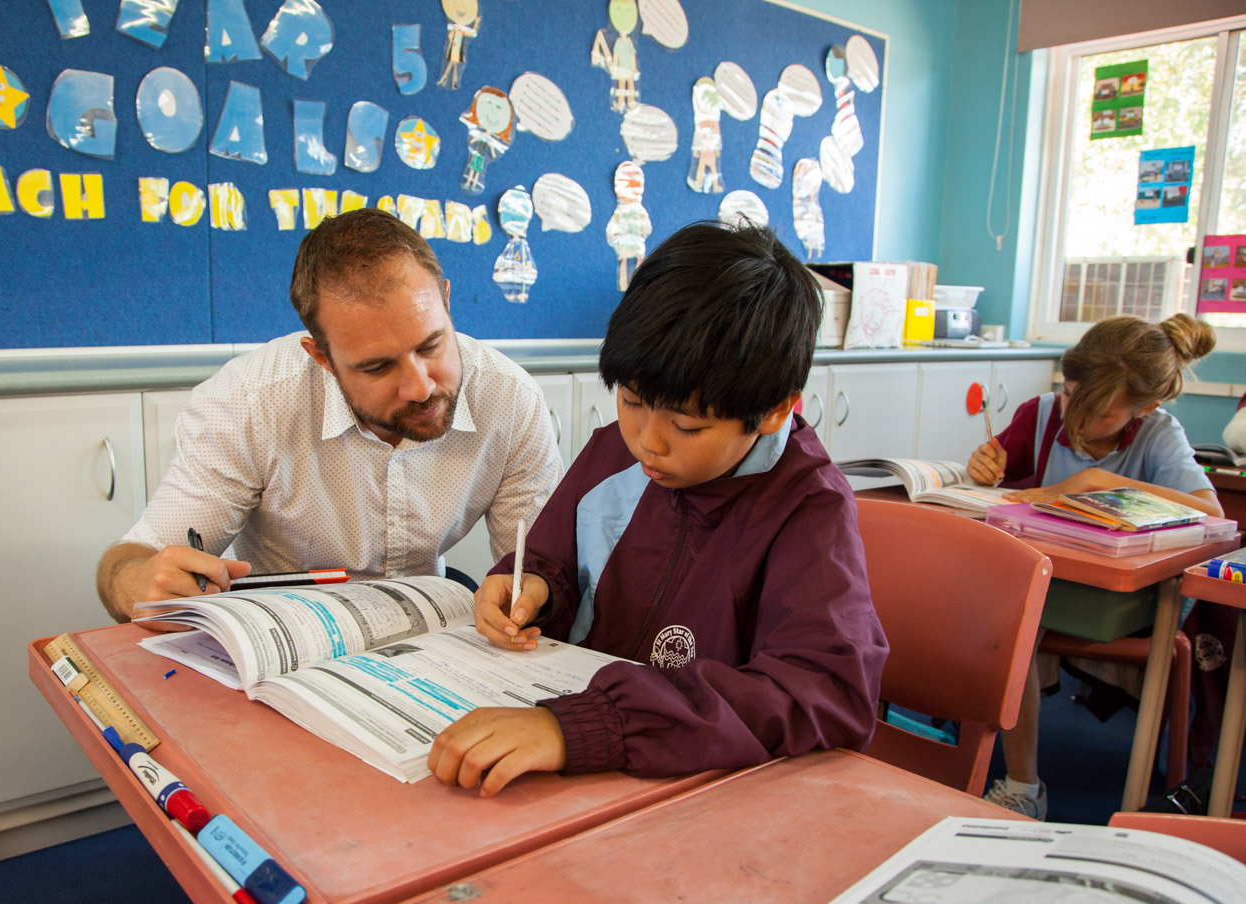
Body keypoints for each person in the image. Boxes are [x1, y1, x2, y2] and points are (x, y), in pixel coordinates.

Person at [424, 221, 888, 797]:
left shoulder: (807, 510)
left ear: (774, 411)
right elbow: (554, 562)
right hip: (586, 759)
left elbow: (824, 692)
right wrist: (533, 587)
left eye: (688, 425)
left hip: (700, 789)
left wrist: (585, 728)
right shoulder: (614, 452)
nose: (649, 441)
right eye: (632, 401)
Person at [97, 209, 564, 624]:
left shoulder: (511, 399)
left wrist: (531, 596)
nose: (421, 386)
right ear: (320, 356)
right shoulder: (250, 402)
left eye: (431, 345)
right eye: (378, 367)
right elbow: (134, 561)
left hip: (429, 635)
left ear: (445, 299)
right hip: (286, 638)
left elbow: (538, 568)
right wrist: (131, 582)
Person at [966, 312, 1222, 820]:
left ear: (1143, 409)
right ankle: (1015, 779)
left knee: (1016, 617)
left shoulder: (1159, 434)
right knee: (1004, 617)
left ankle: (1021, 782)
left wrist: (1103, 484)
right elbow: (1000, 483)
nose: (1078, 422)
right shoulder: (1040, 414)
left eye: (1101, 414)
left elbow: (1212, 513)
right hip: (1043, 583)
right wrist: (983, 468)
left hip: (1122, 601)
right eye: (1071, 398)